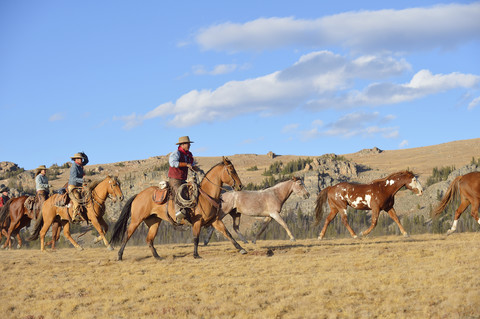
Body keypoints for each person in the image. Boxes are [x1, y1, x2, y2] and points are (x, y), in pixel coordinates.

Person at [168, 136, 198, 224]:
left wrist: (195, 168)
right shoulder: (176, 153)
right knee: (178, 193)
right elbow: (172, 163)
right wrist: (186, 164)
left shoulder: (189, 155)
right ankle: (178, 213)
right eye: (187, 144)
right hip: (175, 179)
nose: (189, 145)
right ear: (182, 144)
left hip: (183, 178)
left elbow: (192, 164)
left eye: (189, 144)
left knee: (191, 192)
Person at [68, 152, 89, 222]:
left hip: (79, 187)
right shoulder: (74, 167)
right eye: (80, 159)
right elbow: (73, 178)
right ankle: (74, 216)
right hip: (73, 187)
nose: (81, 160)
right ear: (76, 159)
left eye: (81, 159)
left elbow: (86, 161)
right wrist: (83, 180)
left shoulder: (80, 165)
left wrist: (84, 155)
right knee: (77, 202)